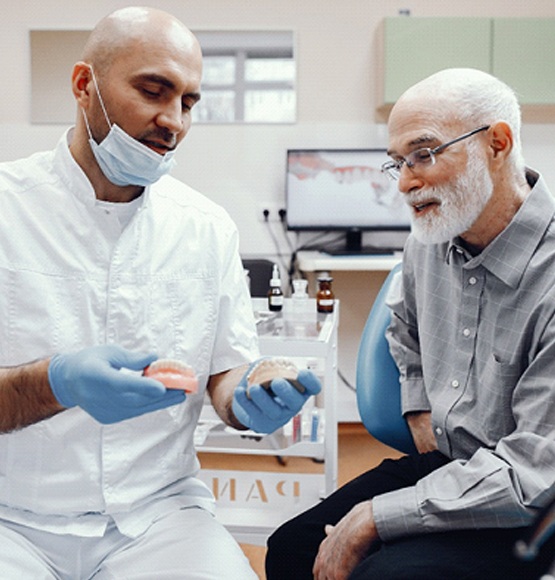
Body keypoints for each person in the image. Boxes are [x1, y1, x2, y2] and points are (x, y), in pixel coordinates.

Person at [0, 7, 320, 579]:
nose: (173, 120)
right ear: (83, 86)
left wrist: (249, 394)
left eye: (189, 102)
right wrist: (53, 382)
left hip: (157, 517)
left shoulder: (205, 227)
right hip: (12, 518)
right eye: (153, 91)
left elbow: (226, 371)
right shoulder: (7, 209)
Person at [265, 68, 555, 579]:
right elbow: (404, 327)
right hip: (449, 464)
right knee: (291, 549)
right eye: (397, 163)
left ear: (498, 143)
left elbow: (531, 475)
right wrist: (419, 408)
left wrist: (376, 519)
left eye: (423, 154)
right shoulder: (430, 240)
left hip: (530, 500)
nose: (404, 182)